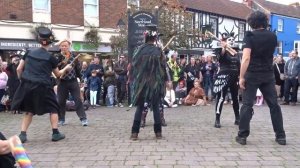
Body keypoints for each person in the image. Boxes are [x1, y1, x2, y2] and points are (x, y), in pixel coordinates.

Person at [11, 27, 72, 143]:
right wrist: (66, 68)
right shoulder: (51, 58)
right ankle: (55, 133)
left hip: (27, 84)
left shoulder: (28, 53)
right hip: (43, 86)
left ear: (39, 40)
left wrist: (22, 80)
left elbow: (19, 69)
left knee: (29, 110)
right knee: (54, 108)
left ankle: (22, 135)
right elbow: (58, 74)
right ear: (51, 41)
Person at [236, 11, 286, 145]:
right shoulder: (273, 36)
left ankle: (242, 136)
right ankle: (280, 136)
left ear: (252, 22)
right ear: (264, 21)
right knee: (274, 105)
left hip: (252, 74)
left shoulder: (249, 35)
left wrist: (241, 77)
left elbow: (246, 58)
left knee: (247, 105)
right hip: (268, 74)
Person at [130, 24, 166, 140]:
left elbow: (134, 66)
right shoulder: (158, 51)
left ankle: (134, 133)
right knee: (155, 107)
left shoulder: (139, 50)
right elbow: (163, 67)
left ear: (145, 36)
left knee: (140, 107)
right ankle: (158, 133)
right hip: (154, 84)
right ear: (155, 38)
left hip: (142, 84)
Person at [55, 39, 88, 126]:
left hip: (73, 81)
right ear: (60, 47)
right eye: (62, 46)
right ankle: (61, 119)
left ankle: (83, 119)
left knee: (78, 100)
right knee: (61, 101)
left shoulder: (74, 56)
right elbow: (54, 69)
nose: (64, 47)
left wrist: (81, 80)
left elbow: (78, 69)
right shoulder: (57, 57)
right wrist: (64, 66)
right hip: (62, 81)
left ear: (69, 46)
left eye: (66, 45)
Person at [213, 32, 240, 128]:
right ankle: (217, 119)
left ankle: (237, 118)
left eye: (233, 40)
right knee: (221, 98)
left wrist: (240, 77)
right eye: (229, 40)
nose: (231, 41)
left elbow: (239, 65)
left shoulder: (236, 53)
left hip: (234, 77)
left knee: (235, 98)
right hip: (224, 77)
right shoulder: (222, 51)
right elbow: (220, 58)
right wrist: (224, 47)